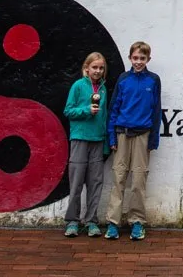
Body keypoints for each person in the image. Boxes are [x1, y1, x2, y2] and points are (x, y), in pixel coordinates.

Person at [103, 41, 161, 241]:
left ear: (148, 60)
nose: (138, 62)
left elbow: (156, 111)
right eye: (135, 58)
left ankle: (137, 221)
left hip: (142, 135)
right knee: (118, 178)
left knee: (138, 180)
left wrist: (153, 140)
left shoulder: (153, 80)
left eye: (142, 58)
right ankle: (113, 223)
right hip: (121, 134)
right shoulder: (123, 79)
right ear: (130, 58)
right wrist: (112, 136)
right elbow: (114, 109)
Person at [62, 52, 109, 238]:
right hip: (80, 139)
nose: (97, 71)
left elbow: (104, 116)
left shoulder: (104, 89)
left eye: (101, 68)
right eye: (94, 67)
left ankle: (91, 221)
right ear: (86, 68)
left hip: (98, 140)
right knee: (76, 182)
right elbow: (68, 110)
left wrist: (106, 142)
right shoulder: (78, 86)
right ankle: (72, 221)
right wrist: (86, 110)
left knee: (95, 183)